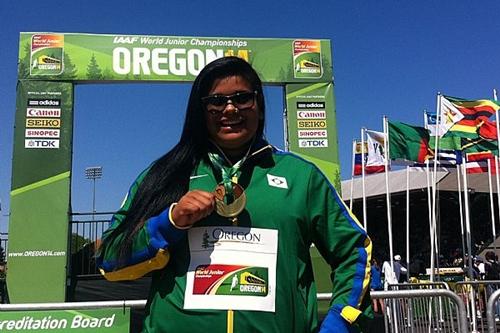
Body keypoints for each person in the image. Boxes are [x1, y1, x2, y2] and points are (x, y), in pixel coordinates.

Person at [96, 56, 372, 333]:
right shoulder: (165, 175)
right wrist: (169, 223)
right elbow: (110, 261)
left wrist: (342, 320)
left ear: (259, 107)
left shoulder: (301, 177)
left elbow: (355, 250)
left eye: (242, 98)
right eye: (216, 101)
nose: (229, 109)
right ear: (200, 111)